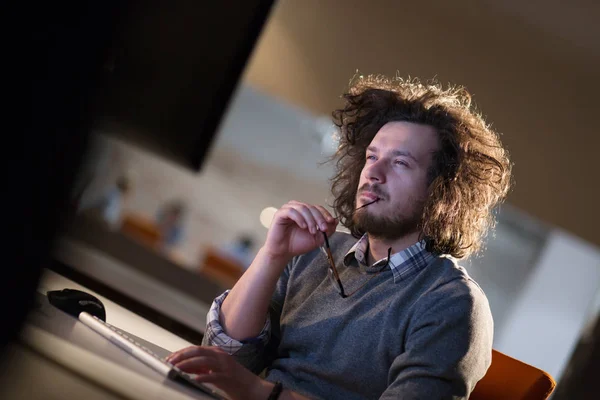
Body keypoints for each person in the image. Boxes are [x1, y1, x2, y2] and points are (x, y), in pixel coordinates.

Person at [166, 74, 512, 400]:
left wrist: (262, 394)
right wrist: (273, 256)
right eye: (371, 157)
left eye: (400, 163)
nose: (373, 173)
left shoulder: (452, 303)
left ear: (443, 193)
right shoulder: (315, 252)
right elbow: (225, 359)